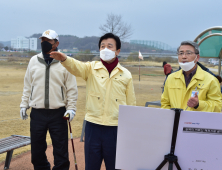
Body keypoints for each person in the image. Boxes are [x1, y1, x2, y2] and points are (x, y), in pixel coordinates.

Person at [50, 33, 136, 170]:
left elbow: (131, 104)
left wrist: (130, 130)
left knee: (115, 166)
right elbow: (77, 66)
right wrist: (65, 59)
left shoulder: (125, 74)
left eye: (109, 46)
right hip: (93, 126)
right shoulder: (91, 68)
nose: (105, 49)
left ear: (118, 51)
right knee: (91, 166)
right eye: (102, 46)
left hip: (115, 128)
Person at [20, 29, 78, 170]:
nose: (44, 43)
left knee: (61, 152)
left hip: (58, 114)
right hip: (37, 113)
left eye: (48, 41)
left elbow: (71, 88)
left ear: (56, 43)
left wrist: (71, 109)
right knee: (37, 152)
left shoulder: (64, 62)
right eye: (43, 40)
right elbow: (28, 85)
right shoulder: (34, 61)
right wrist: (24, 104)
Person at [161, 41, 222, 112]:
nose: (184, 56)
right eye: (181, 53)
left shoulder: (211, 80)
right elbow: (165, 103)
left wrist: (198, 104)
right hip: (175, 122)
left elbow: (217, 106)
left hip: (198, 122)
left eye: (188, 53)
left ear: (197, 57)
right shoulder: (171, 78)